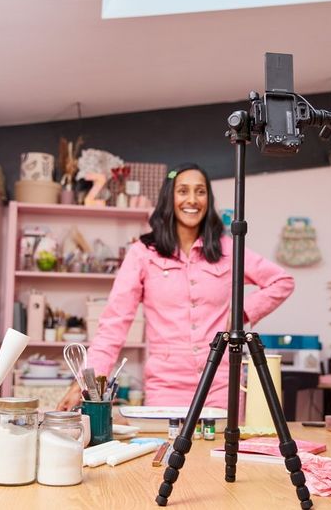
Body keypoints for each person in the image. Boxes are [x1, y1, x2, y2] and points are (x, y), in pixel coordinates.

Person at [57, 163, 294, 410]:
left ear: (208, 199)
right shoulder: (142, 254)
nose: (192, 199)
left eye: (200, 191)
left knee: (222, 449)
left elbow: (282, 281)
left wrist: (241, 314)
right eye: (183, 191)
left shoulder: (228, 250)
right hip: (166, 388)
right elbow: (113, 325)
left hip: (221, 386)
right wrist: (82, 385)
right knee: (170, 449)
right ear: (169, 197)